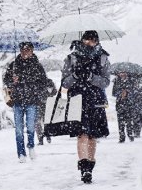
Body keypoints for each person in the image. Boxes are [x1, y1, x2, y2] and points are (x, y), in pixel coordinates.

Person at [61, 30, 110, 184]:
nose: (90, 43)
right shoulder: (72, 58)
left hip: (95, 100)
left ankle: (90, 166)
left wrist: (91, 77)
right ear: (82, 40)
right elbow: (64, 83)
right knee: (81, 134)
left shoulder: (103, 58)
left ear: (97, 41)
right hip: (77, 100)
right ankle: (84, 168)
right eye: (87, 40)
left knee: (92, 136)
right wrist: (75, 75)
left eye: (93, 40)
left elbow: (106, 82)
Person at [3, 42, 47, 163]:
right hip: (17, 101)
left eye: (27, 50)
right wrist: (12, 81)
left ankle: (31, 146)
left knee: (31, 127)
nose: (24, 52)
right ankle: (21, 153)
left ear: (32, 51)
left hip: (32, 101)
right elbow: (6, 80)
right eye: (22, 50)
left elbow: (43, 83)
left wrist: (26, 82)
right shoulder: (14, 65)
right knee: (18, 129)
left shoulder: (37, 66)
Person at [112, 73, 136, 143]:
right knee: (120, 123)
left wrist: (127, 93)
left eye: (124, 73)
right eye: (121, 73)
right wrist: (120, 94)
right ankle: (122, 137)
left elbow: (134, 93)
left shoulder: (131, 81)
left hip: (129, 106)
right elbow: (113, 93)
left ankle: (130, 135)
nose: (122, 74)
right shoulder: (116, 81)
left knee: (129, 122)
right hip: (119, 106)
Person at [35, 78, 57, 145]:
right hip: (39, 104)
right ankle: (42, 138)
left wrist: (49, 91)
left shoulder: (48, 81)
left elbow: (54, 91)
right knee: (39, 122)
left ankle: (46, 135)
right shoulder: (46, 81)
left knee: (42, 122)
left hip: (44, 104)